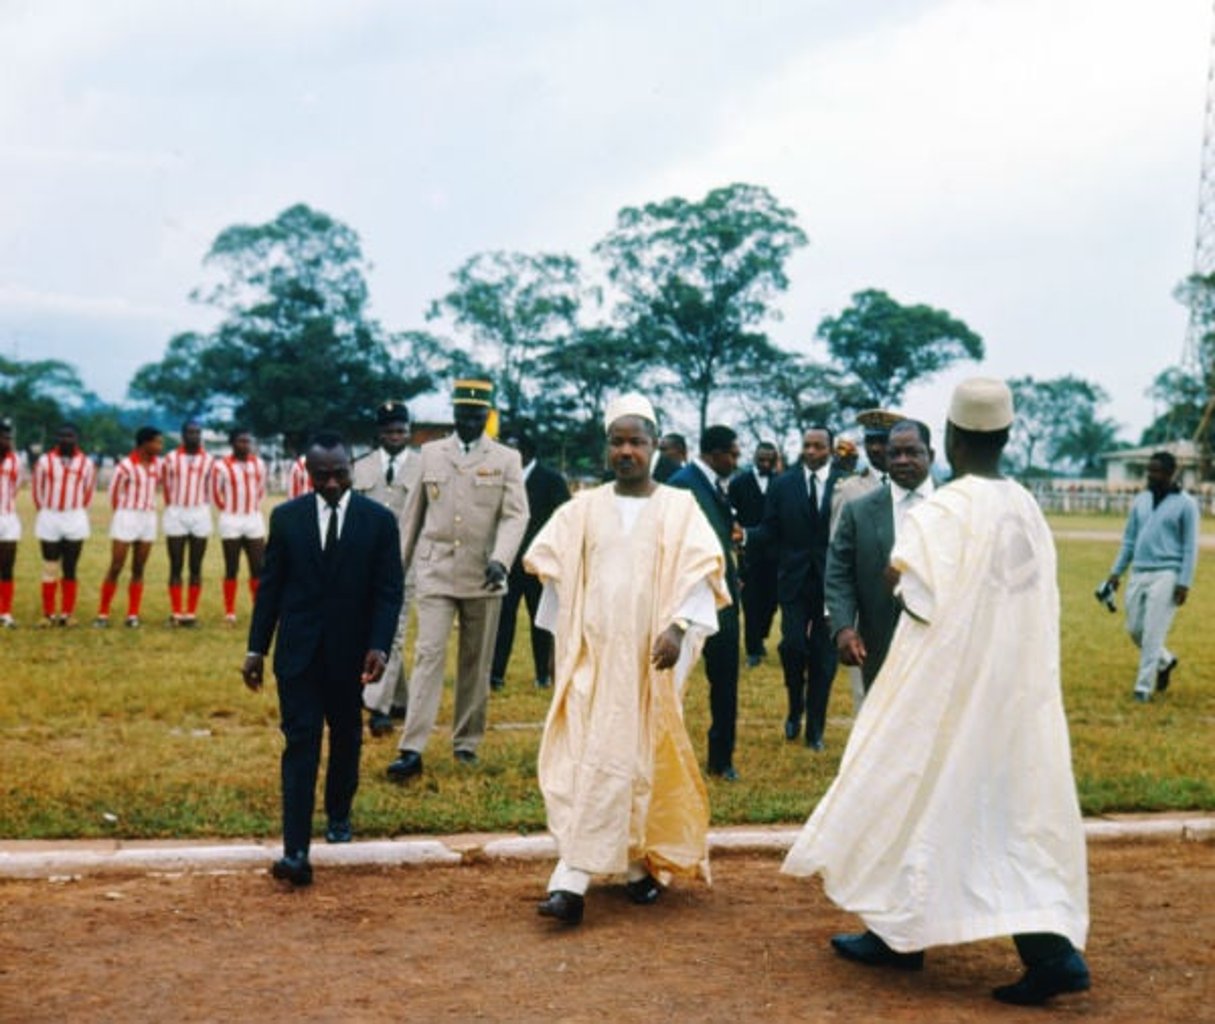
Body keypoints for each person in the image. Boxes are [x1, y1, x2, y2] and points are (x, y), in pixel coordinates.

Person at [782, 378, 1091, 1008]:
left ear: (948, 439)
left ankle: (1048, 953)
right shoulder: (1025, 506)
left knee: (912, 790)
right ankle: (901, 935)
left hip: (948, 689)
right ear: (1005, 436)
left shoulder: (944, 511)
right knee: (1006, 811)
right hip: (1016, 690)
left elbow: (912, 591)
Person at [525, 393, 728, 926]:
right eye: (617, 441)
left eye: (637, 441)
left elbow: (699, 574)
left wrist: (678, 629)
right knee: (590, 758)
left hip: (648, 665)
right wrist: (560, 654)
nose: (626, 451)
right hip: (592, 660)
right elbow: (556, 583)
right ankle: (573, 881)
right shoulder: (583, 509)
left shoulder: (679, 508)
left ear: (656, 445)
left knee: (633, 761)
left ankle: (631, 867)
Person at [242, 431, 404, 887]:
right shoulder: (287, 518)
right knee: (301, 744)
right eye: (322, 475)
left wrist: (379, 645)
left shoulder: (377, 521)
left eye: (340, 474)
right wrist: (257, 648)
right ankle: (296, 851)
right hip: (299, 655)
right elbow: (270, 589)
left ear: (351, 469)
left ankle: (339, 813)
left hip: (351, 655)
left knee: (347, 736)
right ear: (307, 473)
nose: (332, 484)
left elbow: (389, 591)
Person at [385, 380, 528, 781]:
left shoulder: (505, 458)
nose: (468, 421)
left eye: (476, 415)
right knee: (428, 655)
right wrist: (398, 565)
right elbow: (412, 515)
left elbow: (516, 515)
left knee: (475, 663)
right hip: (435, 571)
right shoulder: (430, 454)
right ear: (453, 414)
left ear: (487, 416)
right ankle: (411, 747)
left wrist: (501, 559)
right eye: (462, 414)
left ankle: (466, 743)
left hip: (483, 574)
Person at [825, 420, 934, 709]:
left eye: (912, 452)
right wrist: (844, 627)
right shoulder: (859, 510)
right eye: (894, 454)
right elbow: (838, 573)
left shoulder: (956, 507)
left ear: (930, 455)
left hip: (942, 644)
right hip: (879, 646)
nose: (902, 460)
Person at [747, 426, 840, 750]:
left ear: (830, 448)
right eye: (807, 446)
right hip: (794, 582)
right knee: (793, 647)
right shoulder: (783, 485)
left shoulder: (845, 483)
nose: (811, 452)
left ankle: (815, 729)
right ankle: (794, 706)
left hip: (832, 583)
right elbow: (769, 529)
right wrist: (745, 537)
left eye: (818, 446)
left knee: (824, 658)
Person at [668, 425, 742, 780]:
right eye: (733, 453)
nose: (737, 460)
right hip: (690, 601)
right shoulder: (683, 484)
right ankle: (668, 758)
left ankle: (721, 758)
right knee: (675, 681)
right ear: (715, 453)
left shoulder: (714, 486)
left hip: (722, 598)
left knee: (726, 680)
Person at [1105, 450, 1199, 703]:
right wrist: (1115, 573)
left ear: (1170, 473)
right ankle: (1165, 661)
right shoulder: (1141, 501)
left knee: (1153, 633)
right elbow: (1129, 541)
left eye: (1156, 470)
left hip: (1168, 573)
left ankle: (1142, 688)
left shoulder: (1186, 504)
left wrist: (1184, 582)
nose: (1150, 474)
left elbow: (1190, 547)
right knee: (1135, 629)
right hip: (1139, 571)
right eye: (1149, 469)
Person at [352, 400, 416, 737]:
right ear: (380, 433)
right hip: (365, 564)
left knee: (394, 630)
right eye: (390, 431)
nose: (396, 436)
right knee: (375, 627)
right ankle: (401, 697)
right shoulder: (359, 468)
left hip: (408, 564)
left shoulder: (423, 468)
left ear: (409, 432)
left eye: (402, 430)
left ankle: (376, 706)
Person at [489, 429, 570, 692]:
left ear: (528, 452)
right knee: (503, 620)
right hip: (508, 563)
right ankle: (496, 674)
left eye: (514, 449)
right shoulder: (500, 478)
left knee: (541, 620)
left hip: (539, 565)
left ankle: (543, 674)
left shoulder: (551, 480)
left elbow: (564, 519)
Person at [94, 427, 164, 628]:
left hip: (148, 517)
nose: (160, 446)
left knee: (139, 568)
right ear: (145, 443)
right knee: (116, 566)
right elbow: (113, 494)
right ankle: (103, 613)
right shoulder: (125, 466)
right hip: (127, 516)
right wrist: (123, 513)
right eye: (157, 442)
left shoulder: (157, 466)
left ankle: (132, 614)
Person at [33, 423, 96, 627]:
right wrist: (47, 509)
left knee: (70, 567)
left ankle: (68, 614)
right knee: (50, 566)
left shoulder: (86, 463)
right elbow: (37, 490)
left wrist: (74, 508)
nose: (66, 440)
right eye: (62, 436)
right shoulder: (45, 461)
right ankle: (48, 613)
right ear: (57, 438)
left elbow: (89, 492)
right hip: (50, 516)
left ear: (76, 439)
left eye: (70, 436)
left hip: (74, 517)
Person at [729, 441, 779, 668]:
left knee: (771, 602)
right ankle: (753, 650)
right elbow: (731, 514)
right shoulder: (739, 483)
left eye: (770, 460)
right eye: (762, 459)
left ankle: (760, 636)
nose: (765, 463)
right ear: (755, 458)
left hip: (776, 553)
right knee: (750, 602)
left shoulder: (782, 483)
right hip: (748, 552)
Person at [161, 420, 215, 627]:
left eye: (197, 432)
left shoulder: (209, 460)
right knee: (176, 565)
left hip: (199, 512)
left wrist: (202, 506)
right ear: (183, 435)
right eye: (190, 432)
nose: (194, 435)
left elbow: (211, 488)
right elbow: (166, 487)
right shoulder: (171, 458)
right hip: (176, 512)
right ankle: (176, 613)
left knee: (195, 566)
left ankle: (190, 614)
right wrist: (174, 506)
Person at [214, 428, 268, 625]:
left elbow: (262, 489)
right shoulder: (221, 466)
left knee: (258, 566)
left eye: (248, 441)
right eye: (241, 441)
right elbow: (215, 492)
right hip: (231, 519)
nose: (245, 445)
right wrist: (228, 509)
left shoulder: (259, 464)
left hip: (253, 518)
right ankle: (230, 612)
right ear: (232, 443)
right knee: (232, 566)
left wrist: (253, 507)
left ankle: (259, 609)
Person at [828, 409, 902, 533]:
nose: (875, 448)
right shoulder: (847, 489)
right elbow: (838, 543)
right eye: (870, 441)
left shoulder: (909, 484)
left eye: (882, 440)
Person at [0, 419, 21, 627]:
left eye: (9, 437)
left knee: (7, 566)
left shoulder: (15, 460)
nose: (7, 441)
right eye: (4, 437)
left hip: (8, 517)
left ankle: (5, 612)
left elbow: (16, 486)